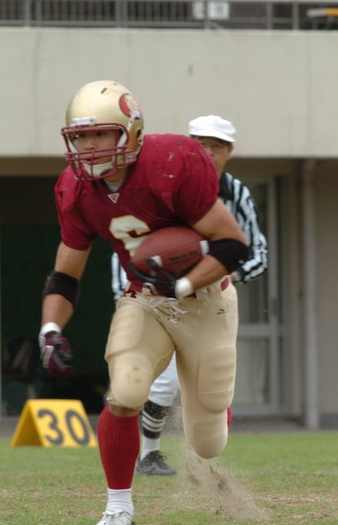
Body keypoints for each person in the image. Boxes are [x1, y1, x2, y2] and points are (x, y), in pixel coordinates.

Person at [39, 80, 250, 525]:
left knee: (207, 442)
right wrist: (50, 330)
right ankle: (118, 508)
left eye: (100, 134)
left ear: (132, 133)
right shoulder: (74, 189)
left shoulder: (173, 163)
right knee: (125, 393)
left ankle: (212, 407)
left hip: (206, 299)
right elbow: (65, 274)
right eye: (81, 136)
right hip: (144, 299)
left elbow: (233, 244)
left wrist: (183, 283)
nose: (89, 147)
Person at [110, 115, 268, 476]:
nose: (208, 152)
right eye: (201, 144)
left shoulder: (236, 193)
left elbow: (256, 251)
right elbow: (131, 247)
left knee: (213, 386)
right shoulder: (160, 184)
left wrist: (216, 274)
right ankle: (149, 452)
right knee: (161, 383)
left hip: (212, 301)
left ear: (229, 151)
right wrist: (130, 292)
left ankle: (202, 456)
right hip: (155, 298)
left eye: (216, 146)